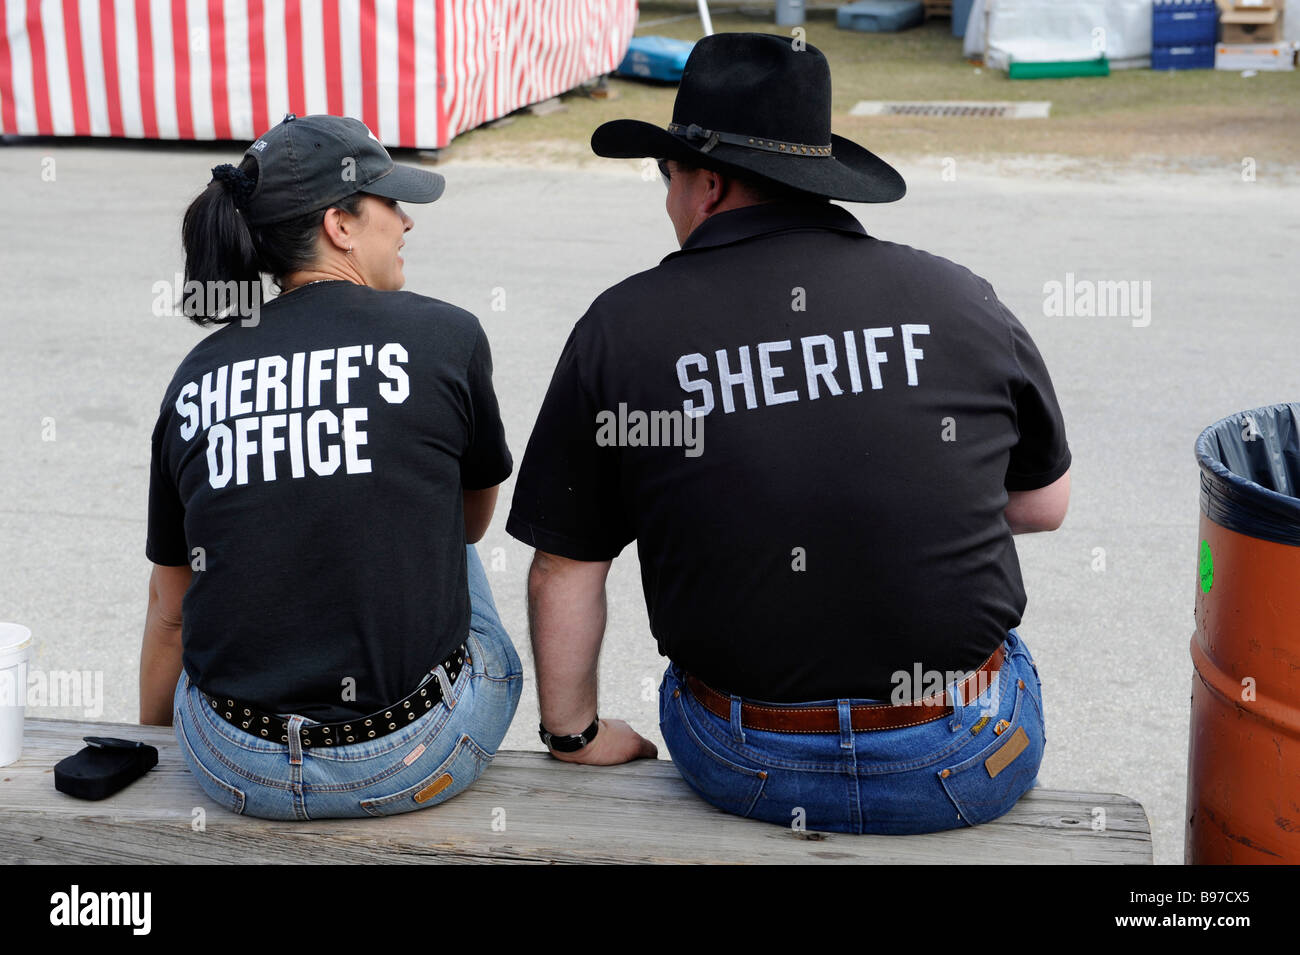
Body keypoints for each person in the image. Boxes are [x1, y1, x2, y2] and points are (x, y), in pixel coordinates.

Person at [506, 34, 1070, 834]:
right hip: (961, 754)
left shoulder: (621, 327)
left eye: (664, 179)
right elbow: (1045, 506)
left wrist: (574, 736)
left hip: (746, 758)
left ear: (706, 184)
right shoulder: (958, 297)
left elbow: (564, 566)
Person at [139, 113, 522, 821]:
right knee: (447, 534)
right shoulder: (446, 334)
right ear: (340, 225)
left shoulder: (197, 373)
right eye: (390, 204)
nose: (407, 223)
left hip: (232, 760)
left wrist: (154, 743)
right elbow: (469, 524)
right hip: (404, 754)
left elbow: (169, 612)